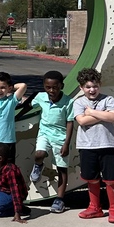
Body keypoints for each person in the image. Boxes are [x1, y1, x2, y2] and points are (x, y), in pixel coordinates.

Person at [73, 68, 114, 224]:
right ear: (81, 88)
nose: (92, 89)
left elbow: (113, 117)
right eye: (87, 87)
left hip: (107, 145)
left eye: (95, 86)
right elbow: (81, 121)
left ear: (99, 85)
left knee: (112, 179)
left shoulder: (108, 99)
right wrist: (103, 115)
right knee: (91, 178)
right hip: (87, 146)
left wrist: (91, 112)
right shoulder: (79, 102)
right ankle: (95, 207)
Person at [30, 70, 75, 214]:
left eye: (55, 87)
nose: (51, 90)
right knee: (39, 153)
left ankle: (60, 200)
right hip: (44, 133)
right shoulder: (40, 97)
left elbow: (70, 123)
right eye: (48, 87)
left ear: (61, 86)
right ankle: (38, 166)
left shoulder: (68, 102)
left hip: (60, 137)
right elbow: (28, 105)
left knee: (62, 168)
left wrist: (66, 143)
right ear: (44, 86)